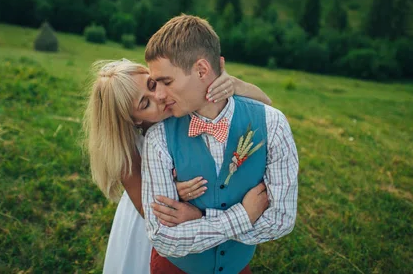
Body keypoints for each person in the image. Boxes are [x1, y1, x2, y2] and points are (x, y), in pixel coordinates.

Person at [142, 15, 299, 274]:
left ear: (202, 70)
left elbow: (281, 220)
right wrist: (243, 217)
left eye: (166, 82)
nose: (158, 95)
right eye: (154, 84)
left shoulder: (273, 124)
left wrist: (201, 219)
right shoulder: (158, 137)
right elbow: (163, 238)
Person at [84, 59, 272, 274]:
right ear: (134, 120)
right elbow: (153, 213)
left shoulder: (184, 103)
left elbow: (266, 104)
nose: (159, 97)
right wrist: (172, 189)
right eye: (145, 104)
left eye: (152, 84)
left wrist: (236, 85)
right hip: (161, 222)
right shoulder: (128, 153)